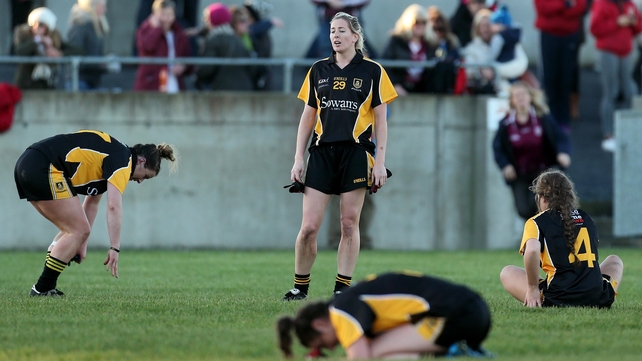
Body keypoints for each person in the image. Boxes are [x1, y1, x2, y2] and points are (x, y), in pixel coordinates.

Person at [282, 12, 397, 301]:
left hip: (356, 154)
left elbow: (382, 122)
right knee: (308, 228)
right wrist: (298, 158)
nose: (335, 35)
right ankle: (300, 287)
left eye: (342, 31)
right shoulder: (319, 70)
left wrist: (380, 163)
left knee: (348, 224)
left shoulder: (373, 71)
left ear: (355, 37)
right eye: (333, 30)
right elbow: (307, 118)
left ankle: (342, 288)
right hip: (321, 154)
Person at [14, 130, 178, 296]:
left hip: (29, 163)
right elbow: (114, 206)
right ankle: (42, 288)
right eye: (146, 176)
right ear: (141, 161)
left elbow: (92, 203)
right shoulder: (124, 161)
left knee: (71, 230)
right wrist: (115, 247)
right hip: (42, 166)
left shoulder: (113, 155)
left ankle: (45, 287)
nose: (141, 181)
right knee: (76, 230)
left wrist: (81, 243)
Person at [277, 271, 493, 359]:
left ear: (321, 324)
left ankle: (457, 348)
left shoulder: (340, 312)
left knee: (374, 351)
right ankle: (459, 347)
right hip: (474, 309)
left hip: (460, 316)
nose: (332, 349)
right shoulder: (349, 301)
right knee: (381, 346)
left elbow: (361, 357)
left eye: (323, 344)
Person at [500, 169, 624, 308]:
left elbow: (533, 251)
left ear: (543, 198)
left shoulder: (536, 222)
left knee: (507, 272)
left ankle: (540, 294)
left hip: (558, 298)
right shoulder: (586, 217)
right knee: (615, 261)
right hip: (598, 297)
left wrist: (532, 288)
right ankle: (599, 291)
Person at [492, 82, 571, 220]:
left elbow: (561, 137)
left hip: (542, 172)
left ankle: (541, 236)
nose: (521, 98)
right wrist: (505, 165)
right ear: (512, 100)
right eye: (517, 95)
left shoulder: (542, 118)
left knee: (540, 206)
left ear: (530, 97)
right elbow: (497, 147)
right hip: (519, 174)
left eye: (523, 94)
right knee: (523, 209)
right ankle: (534, 233)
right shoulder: (506, 124)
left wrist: (563, 152)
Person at [590, 0, 642, 152]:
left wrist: (632, 21)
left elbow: (638, 27)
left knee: (629, 91)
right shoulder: (601, 3)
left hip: (625, 51)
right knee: (610, 92)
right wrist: (617, 22)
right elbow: (595, 29)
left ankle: (625, 130)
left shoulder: (629, 4)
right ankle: (609, 134)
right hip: (608, 52)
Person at [535, 0, 587, 134]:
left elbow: (580, 7)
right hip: (549, 35)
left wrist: (557, 7)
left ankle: (564, 120)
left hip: (569, 35)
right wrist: (564, 4)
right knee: (550, 78)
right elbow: (543, 8)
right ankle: (550, 119)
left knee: (566, 79)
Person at [463, 7, 528, 96]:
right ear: (477, 28)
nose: (486, 29)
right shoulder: (472, 49)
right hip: (485, 92)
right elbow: (467, 71)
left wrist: (495, 70)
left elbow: (521, 64)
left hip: (510, 89)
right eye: (483, 26)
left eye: (489, 25)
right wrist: (480, 72)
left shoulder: (508, 41)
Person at [13, 7, 82, 89]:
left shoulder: (55, 39)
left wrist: (59, 53)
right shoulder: (25, 37)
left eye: (41, 24)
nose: (37, 27)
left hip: (48, 84)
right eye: (33, 24)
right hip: (27, 83)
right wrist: (36, 41)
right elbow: (19, 51)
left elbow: (78, 51)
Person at [195, 3, 255, 91]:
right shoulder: (237, 39)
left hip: (222, 91)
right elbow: (252, 67)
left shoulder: (214, 40)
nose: (205, 22)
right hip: (244, 89)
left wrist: (197, 78)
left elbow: (207, 68)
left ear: (212, 20)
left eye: (207, 18)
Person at [134, 0, 191, 93]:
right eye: (163, 14)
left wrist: (183, 66)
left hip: (174, 85)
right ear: (155, 15)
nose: (166, 19)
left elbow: (187, 57)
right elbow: (148, 47)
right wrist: (157, 29)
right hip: (151, 85)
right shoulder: (145, 30)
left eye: (170, 15)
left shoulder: (179, 33)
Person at [380, 4, 431, 96]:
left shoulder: (430, 44)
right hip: (399, 88)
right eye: (417, 22)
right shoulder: (396, 41)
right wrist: (394, 85)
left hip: (421, 90)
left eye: (423, 22)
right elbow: (384, 64)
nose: (420, 26)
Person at [305, 0, 376, 59]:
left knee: (361, 49)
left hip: (351, 20)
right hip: (328, 21)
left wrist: (344, 3)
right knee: (325, 48)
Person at [67, 0, 110, 90]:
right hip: (80, 82)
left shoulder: (96, 27)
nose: (104, 10)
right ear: (92, 6)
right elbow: (75, 56)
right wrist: (100, 64)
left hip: (92, 81)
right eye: (101, 6)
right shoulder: (80, 27)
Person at [244, 0, 284, 90]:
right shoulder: (257, 29)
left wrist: (270, 22)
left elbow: (253, 30)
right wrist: (270, 22)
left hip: (260, 75)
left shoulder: (259, 32)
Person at [424, 6, 462, 94]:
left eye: (440, 29)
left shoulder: (451, 42)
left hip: (447, 88)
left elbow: (456, 58)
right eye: (434, 29)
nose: (437, 32)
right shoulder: (425, 44)